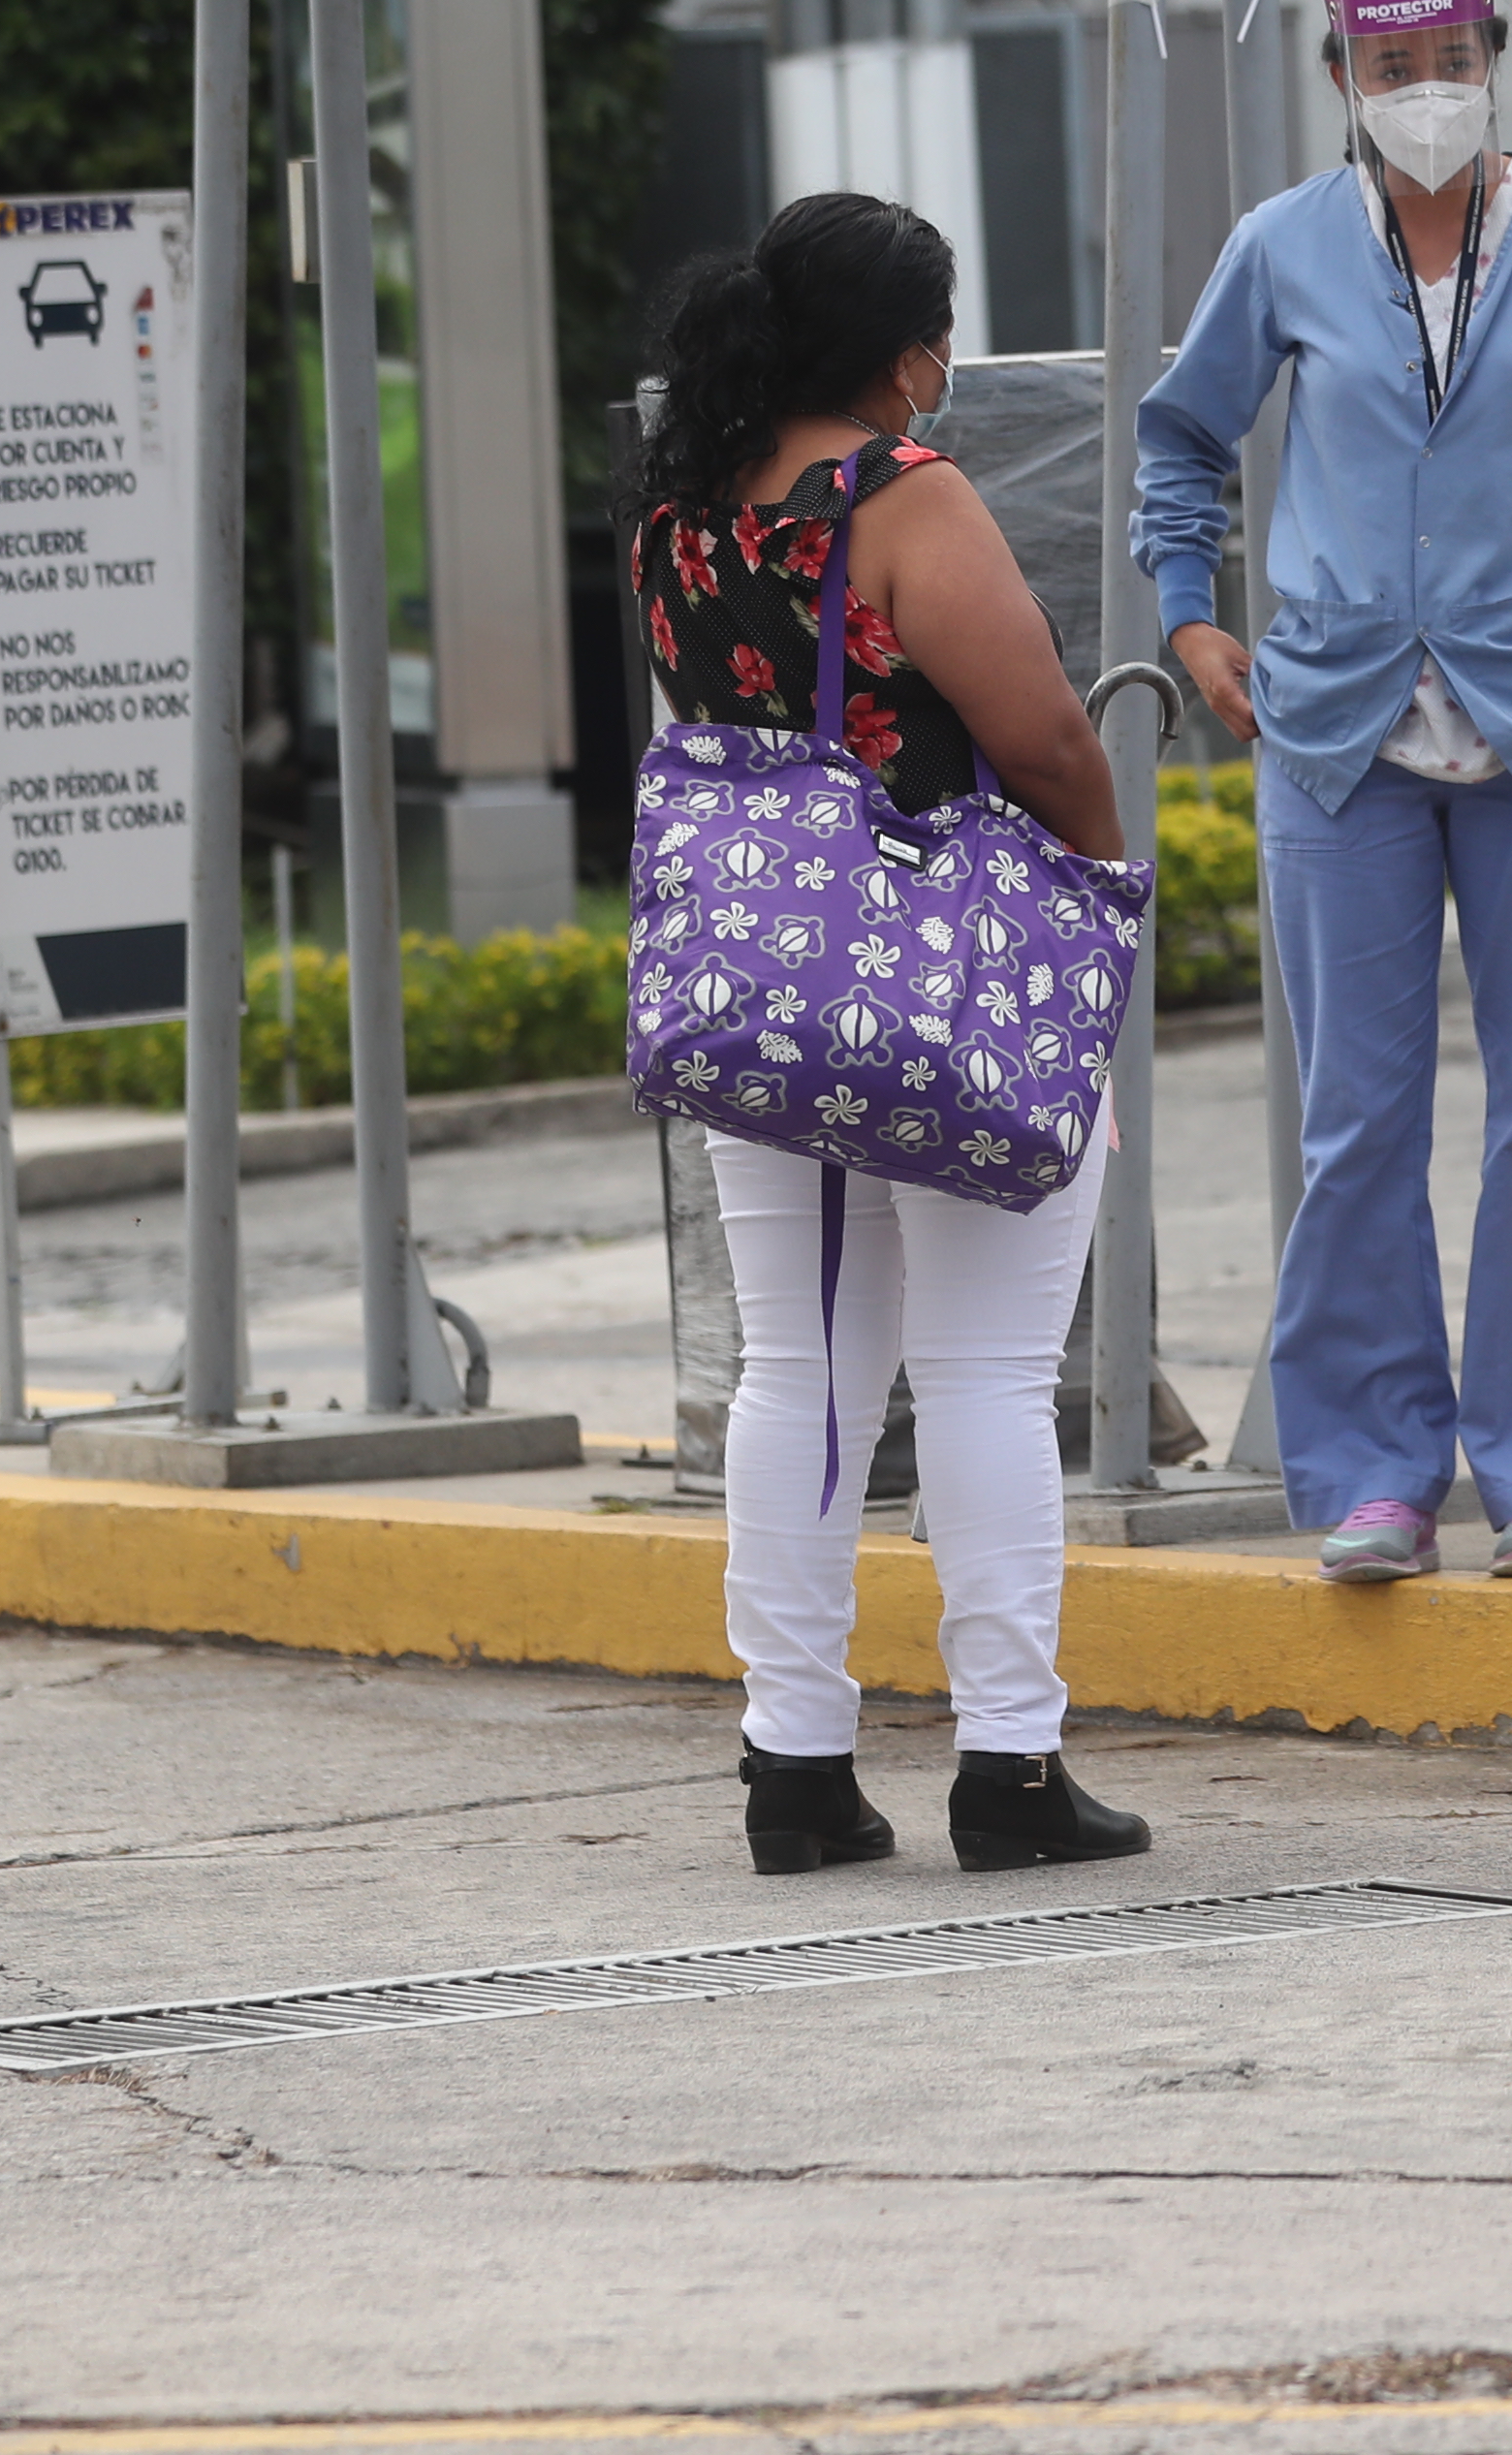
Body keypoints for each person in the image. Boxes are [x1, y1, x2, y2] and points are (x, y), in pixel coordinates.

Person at [1134, 0, 1512, 1581]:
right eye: (1393, 69)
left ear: (1492, 56)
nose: (1426, 94)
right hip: (1336, 735)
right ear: (1341, 80)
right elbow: (1182, 435)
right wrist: (1190, 613)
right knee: (1356, 1123)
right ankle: (1378, 1470)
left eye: (1451, 62)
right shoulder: (1284, 247)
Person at [630, 190, 1154, 1878]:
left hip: (756, 984)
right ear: (907, 353)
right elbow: (1049, 737)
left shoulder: (682, 514)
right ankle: (1009, 1765)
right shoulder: (902, 500)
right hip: (941, 983)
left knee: (798, 1364)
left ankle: (794, 1764)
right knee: (989, 1370)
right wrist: (1102, 891)